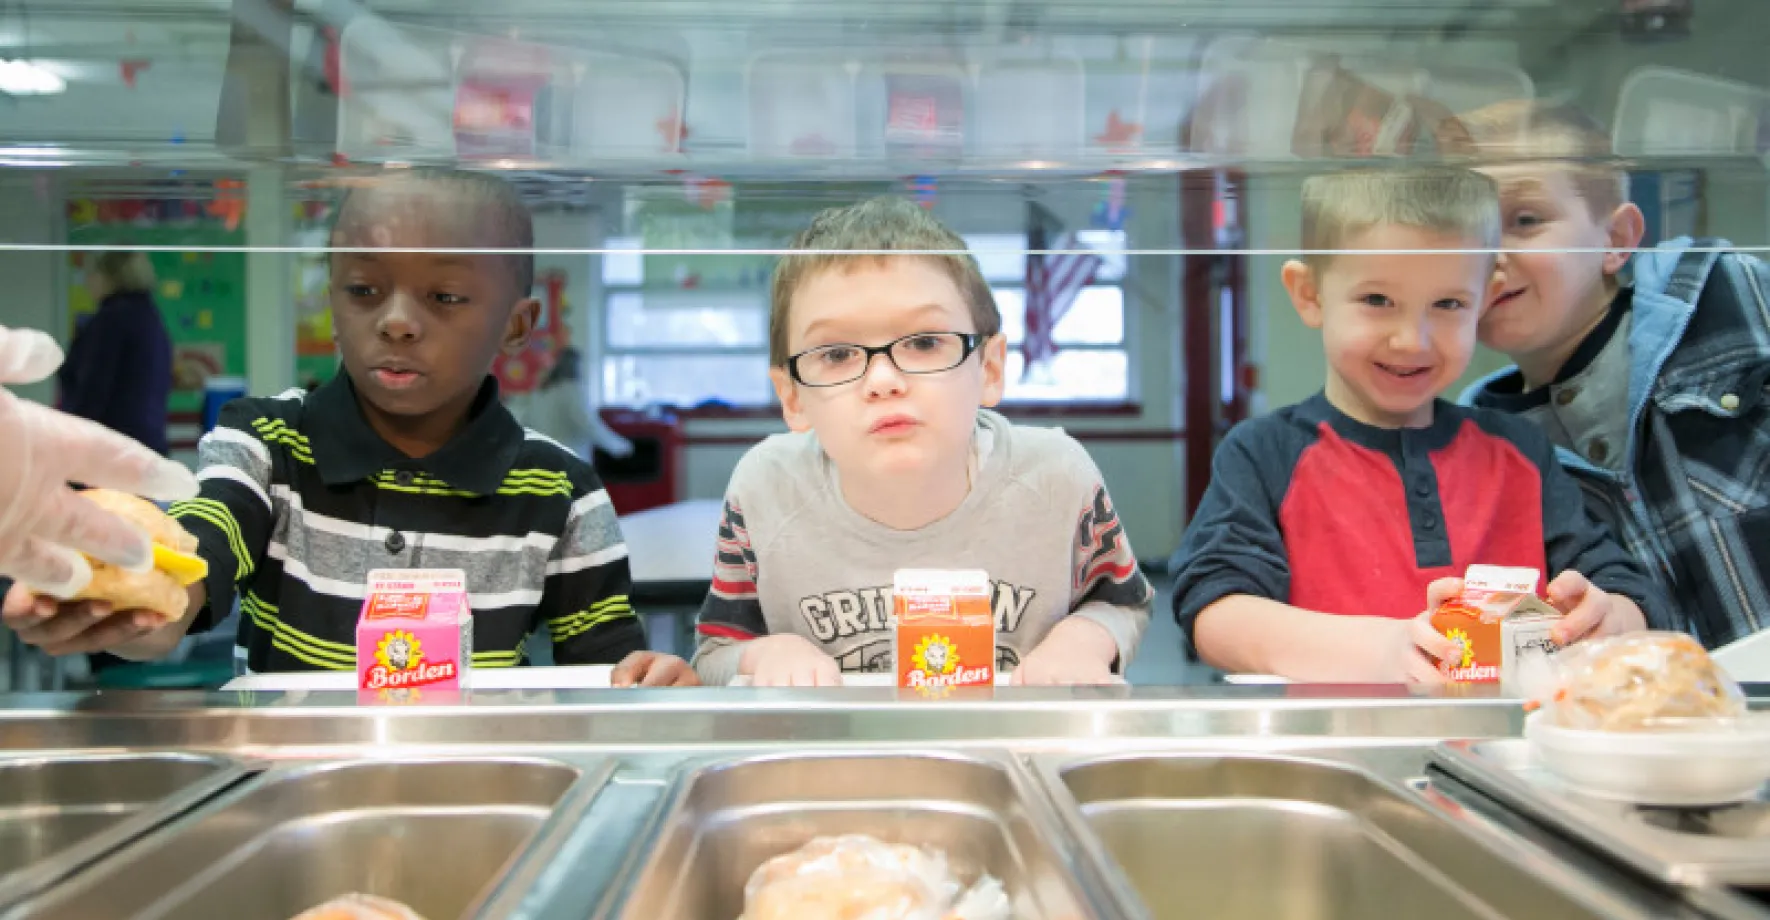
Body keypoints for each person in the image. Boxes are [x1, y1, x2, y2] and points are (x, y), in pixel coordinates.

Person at [2, 169, 695, 687]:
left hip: (476, 782)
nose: (395, 319)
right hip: (280, 785)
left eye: (445, 296)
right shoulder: (267, 444)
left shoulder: (561, 489)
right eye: (363, 290)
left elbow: (608, 670)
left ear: (515, 324)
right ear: (332, 299)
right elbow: (199, 553)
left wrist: (653, 679)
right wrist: (138, 609)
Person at [1171, 167, 1661, 683]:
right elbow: (1215, 609)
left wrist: (1609, 617)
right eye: (1377, 301)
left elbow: (1622, 584)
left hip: (1506, 752)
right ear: (1309, 295)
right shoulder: (1263, 451)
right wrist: (1383, 651)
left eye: (1448, 304)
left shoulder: (1519, 449)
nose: (1413, 340)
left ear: (1486, 298)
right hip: (1335, 750)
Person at [691, 196, 1153, 687]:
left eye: (925, 343)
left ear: (990, 369)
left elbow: (1123, 602)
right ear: (792, 398)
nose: (883, 379)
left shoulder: (1057, 476)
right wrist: (763, 654)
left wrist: (1082, 638)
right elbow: (716, 650)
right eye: (838, 353)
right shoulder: (764, 489)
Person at [1457, 101, 1770, 650]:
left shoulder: (1730, 296)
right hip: (1661, 726)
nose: (1491, 257)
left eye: (1525, 220)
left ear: (1617, 238)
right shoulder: (1483, 447)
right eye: (1466, 234)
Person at [0, 324, 199, 601]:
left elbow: (91, 390)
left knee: (108, 556)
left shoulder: (108, 325)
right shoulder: (153, 325)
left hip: (100, 453)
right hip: (134, 447)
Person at [60, 251, 174, 456]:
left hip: (110, 453)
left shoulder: (110, 322)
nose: (87, 283)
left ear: (107, 276)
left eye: (90, 274)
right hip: (148, 447)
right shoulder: (151, 319)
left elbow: (92, 391)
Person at [518, 347, 634, 462]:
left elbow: (526, 425)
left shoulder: (541, 393)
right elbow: (587, 423)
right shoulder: (572, 391)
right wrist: (619, 446)